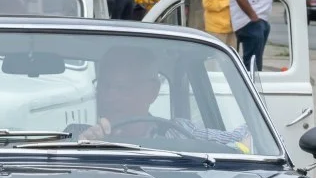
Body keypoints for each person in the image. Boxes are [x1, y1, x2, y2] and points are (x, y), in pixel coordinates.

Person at [74, 47, 250, 150]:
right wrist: (84, 150)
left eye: (122, 88)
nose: (109, 97)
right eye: (104, 86)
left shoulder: (178, 133)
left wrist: (240, 149)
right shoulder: (78, 137)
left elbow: (252, 135)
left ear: (151, 92)